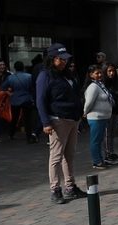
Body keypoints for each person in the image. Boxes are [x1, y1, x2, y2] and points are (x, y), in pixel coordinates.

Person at [36, 43, 88, 204]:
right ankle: (55, 189)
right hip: (58, 120)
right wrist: (46, 122)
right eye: (61, 59)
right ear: (52, 59)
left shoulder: (67, 75)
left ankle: (70, 187)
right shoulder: (45, 76)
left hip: (73, 119)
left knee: (69, 156)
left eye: (65, 59)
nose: (64, 62)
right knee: (56, 157)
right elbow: (40, 100)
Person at [82, 65, 114, 169]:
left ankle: (100, 159)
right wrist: (85, 112)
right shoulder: (93, 86)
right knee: (95, 140)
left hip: (103, 117)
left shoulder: (100, 85)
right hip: (96, 117)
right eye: (97, 73)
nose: (100, 75)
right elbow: (89, 102)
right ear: (91, 75)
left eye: (100, 73)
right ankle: (96, 161)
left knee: (99, 140)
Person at [0, 61, 37, 143]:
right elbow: (33, 87)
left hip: (15, 100)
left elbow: (2, 87)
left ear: (15, 68)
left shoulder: (11, 77)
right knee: (27, 119)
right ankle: (29, 136)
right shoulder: (29, 76)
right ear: (23, 67)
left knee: (14, 118)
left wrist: (10, 93)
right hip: (27, 99)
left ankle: (11, 133)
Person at [103, 63, 118, 163]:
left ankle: (111, 151)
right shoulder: (103, 84)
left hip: (116, 111)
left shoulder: (116, 83)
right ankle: (107, 153)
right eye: (109, 71)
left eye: (113, 71)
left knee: (112, 132)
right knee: (107, 133)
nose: (111, 73)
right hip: (107, 112)